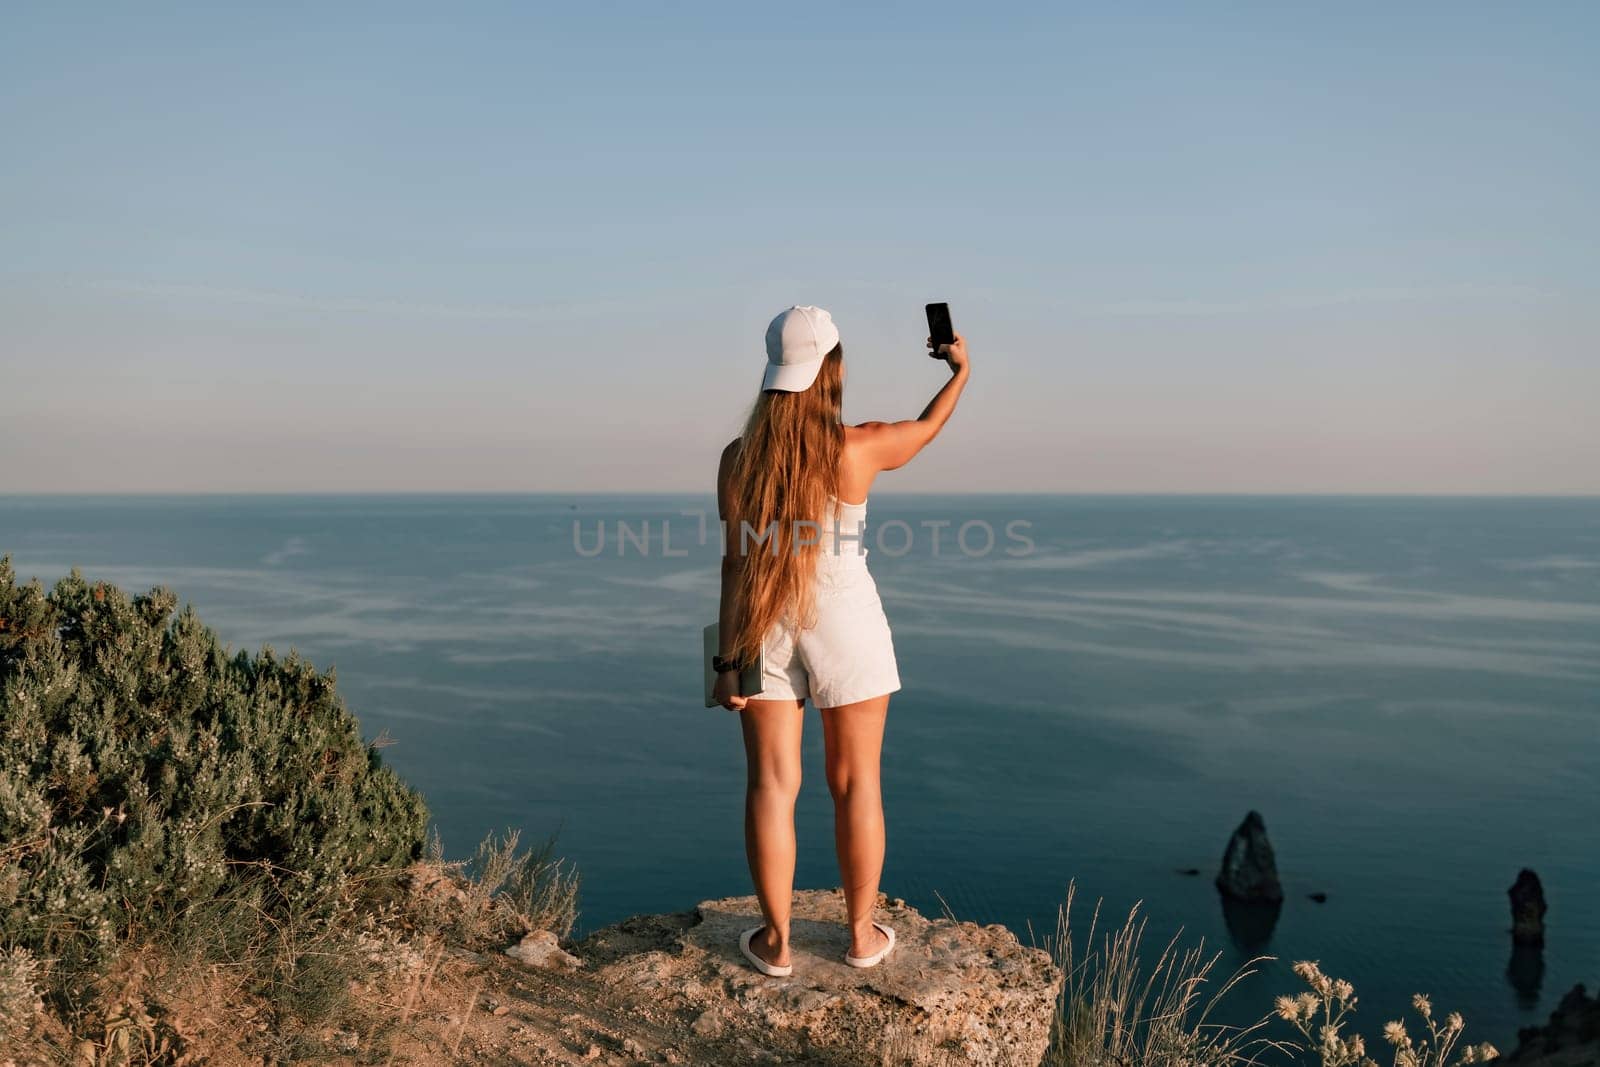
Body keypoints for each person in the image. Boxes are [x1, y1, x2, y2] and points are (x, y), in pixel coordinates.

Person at [711, 304, 970, 975]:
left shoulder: (738, 459)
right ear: (832, 369)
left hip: (764, 625)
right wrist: (959, 369)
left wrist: (726, 662)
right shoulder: (858, 447)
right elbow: (928, 427)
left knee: (771, 784)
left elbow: (736, 564)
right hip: (847, 623)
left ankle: (776, 943)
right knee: (857, 783)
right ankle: (860, 936)